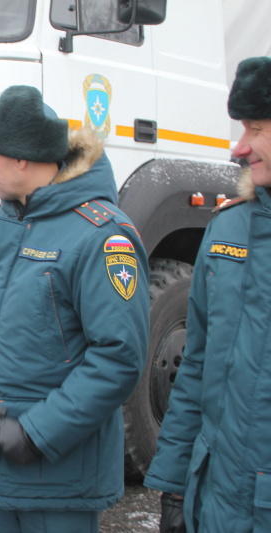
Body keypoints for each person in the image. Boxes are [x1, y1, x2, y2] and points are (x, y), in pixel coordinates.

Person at [0, 85, 149, 533]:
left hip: (59, 474)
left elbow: (117, 358)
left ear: (21, 157)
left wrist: (35, 433)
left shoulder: (102, 235)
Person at [144, 56, 271, 533]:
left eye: (254, 129)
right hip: (215, 504)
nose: (239, 149)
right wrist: (175, 486)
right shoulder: (228, 230)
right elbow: (196, 366)